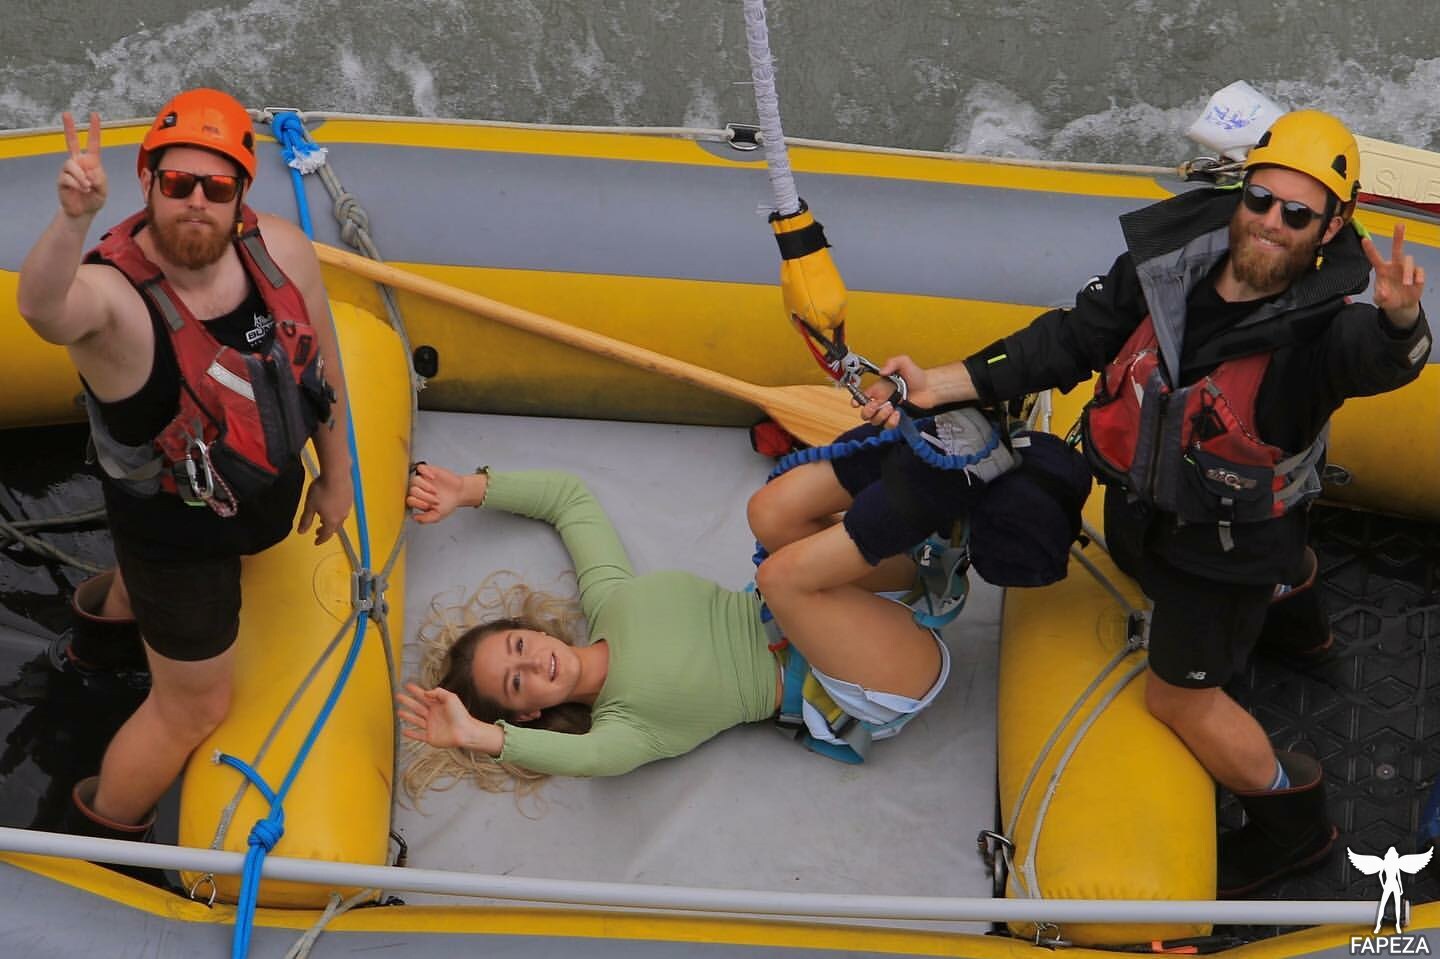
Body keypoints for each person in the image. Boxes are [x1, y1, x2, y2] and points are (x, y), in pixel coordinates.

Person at [856, 110, 1430, 896]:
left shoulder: (1325, 336)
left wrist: (1401, 321)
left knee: (1180, 698)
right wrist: (938, 383)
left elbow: (1380, 357)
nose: (1271, 222)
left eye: (1298, 213)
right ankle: (1302, 635)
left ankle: (1295, 825)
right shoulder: (1170, 265)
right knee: (1185, 560)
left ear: (1332, 226)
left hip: (1225, 557)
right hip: (1145, 504)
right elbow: (1070, 339)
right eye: (1261, 199)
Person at [16, 91, 353, 845]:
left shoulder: (281, 252)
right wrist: (72, 219)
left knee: (139, 590)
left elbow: (320, 369)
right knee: (192, 708)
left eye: (217, 186)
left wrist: (337, 475)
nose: (197, 201)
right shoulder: (116, 301)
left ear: (241, 194)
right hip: (175, 540)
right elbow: (43, 309)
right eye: (177, 183)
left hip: (259, 492)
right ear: (148, 184)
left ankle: (95, 646)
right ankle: (101, 838)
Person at [396, 461, 956, 784]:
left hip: (851, 593)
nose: (535, 663)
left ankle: (932, 467)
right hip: (870, 677)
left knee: (768, 510)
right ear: (528, 713)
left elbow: (569, 500)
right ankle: (930, 503)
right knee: (778, 577)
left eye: (519, 646)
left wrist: (466, 490)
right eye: (517, 682)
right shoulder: (626, 727)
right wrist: (478, 736)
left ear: (534, 631)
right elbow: (588, 759)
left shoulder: (610, 598)